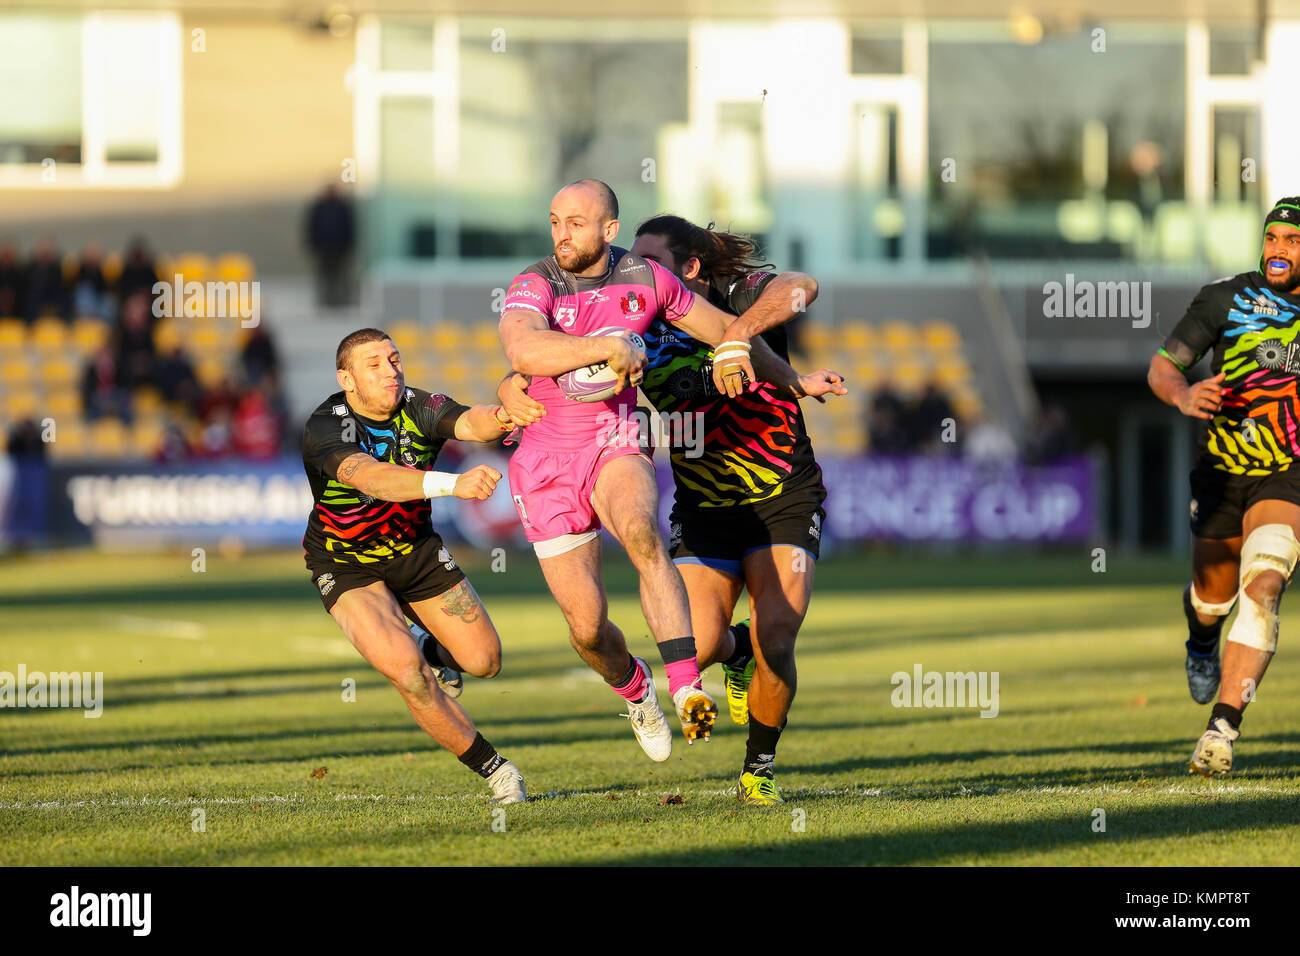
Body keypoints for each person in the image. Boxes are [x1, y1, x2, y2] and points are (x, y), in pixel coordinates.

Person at [496, 180, 832, 764]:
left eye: (576, 222)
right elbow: (527, 354)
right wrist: (551, 368)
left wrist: (746, 342)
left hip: (754, 483)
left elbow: (797, 291)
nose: (561, 234)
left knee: (763, 625)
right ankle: (696, 667)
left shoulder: (698, 289)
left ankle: (742, 751)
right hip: (663, 492)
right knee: (622, 633)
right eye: (555, 221)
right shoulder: (557, 290)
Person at [301, 327, 525, 804]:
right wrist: (451, 484)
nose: (391, 370)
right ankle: (496, 771)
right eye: (374, 364)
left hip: (416, 552)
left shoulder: (421, 405)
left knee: (485, 662)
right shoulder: (327, 424)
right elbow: (374, 479)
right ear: (347, 378)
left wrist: (507, 414)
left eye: (395, 358)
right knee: (407, 674)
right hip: (346, 565)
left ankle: (426, 645)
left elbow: (471, 422)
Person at [1147, 196, 1300, 775]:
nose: (1280, 249)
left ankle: (1222, 728)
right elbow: (1163, 366)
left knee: (1263, 585)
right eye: (1274, 238)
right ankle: (1200, 641)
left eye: (1293, 240)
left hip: (1287, 471)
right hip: (1220, 472)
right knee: (1212, 601)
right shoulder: (1225, 297)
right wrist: (1184, 394)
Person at [304, 184, 355, 307]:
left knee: (340, 276)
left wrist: (348, 245)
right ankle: (325, 302)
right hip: (323, 249)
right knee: (324, 277)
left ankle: (341, 302)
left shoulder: (342, 208)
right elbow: (311, 227)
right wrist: (313, 245)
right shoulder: (318, 208)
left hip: (340, 249)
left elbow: (350, 228)